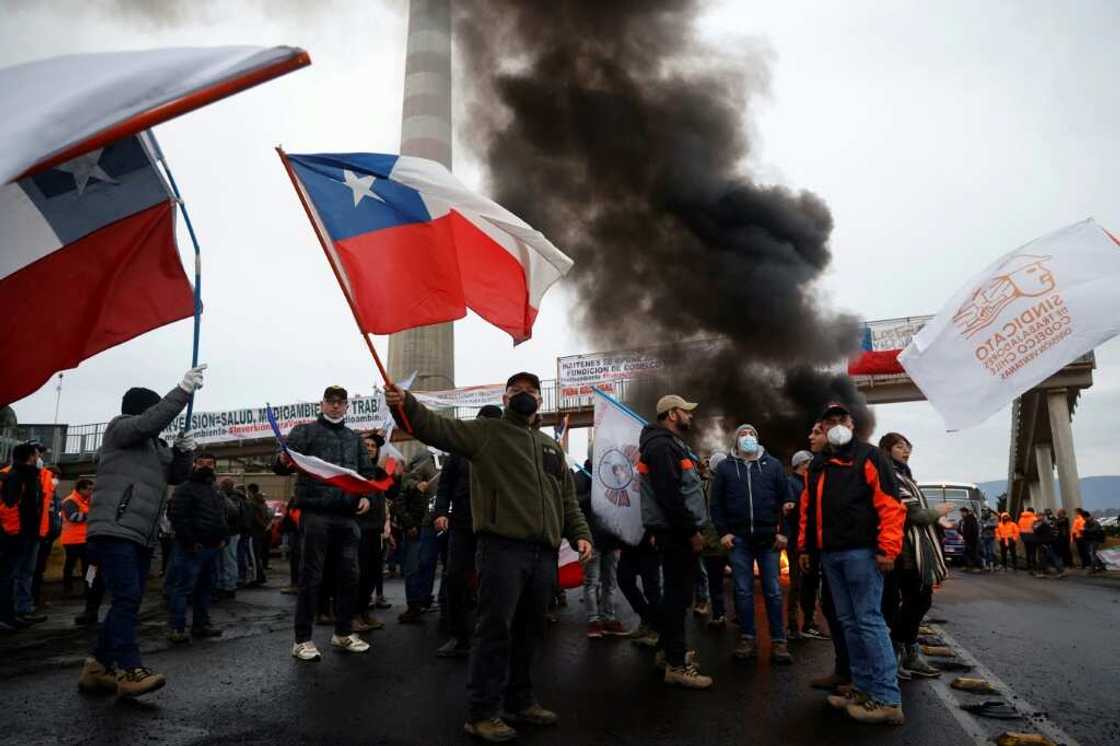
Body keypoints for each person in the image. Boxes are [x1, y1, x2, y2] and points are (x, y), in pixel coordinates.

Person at [385, 371, 592, 743]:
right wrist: (407, 405)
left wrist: (580, 533)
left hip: (543, 554)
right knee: (494, 630)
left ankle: (521, 701)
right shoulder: (487, 434)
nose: (525, 396)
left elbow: (565, 500)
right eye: (517, 391)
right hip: (502, 549)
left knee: (530, 631)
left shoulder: (549, 446)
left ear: (540, 400)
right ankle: (482, 713)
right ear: (505, 398)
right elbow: (435, 427)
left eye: (531, 391)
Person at [78, 368, 203, 697]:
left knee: (127, 600)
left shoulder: (156, 446)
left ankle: (97, 667)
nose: (153, 417)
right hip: (115, 528)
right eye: (151, 409)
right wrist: (181, 392)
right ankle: (130, 669)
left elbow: (176, 476)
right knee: (127, 597)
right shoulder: (120, 429)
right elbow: (149, 422)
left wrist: (184, 452)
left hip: (142, 535)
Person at [798, 402, 906, 725]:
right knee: (847, 622)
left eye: (841, 418)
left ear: (852, 423)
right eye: (829, 420)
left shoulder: (871, 456)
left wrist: (888, 548)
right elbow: (808, 511)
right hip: (830, 555)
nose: (837, 423)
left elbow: (890, 504)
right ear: (824, 426)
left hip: (862, 553)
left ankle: (887, 698)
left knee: (869, 620)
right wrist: (806, 548)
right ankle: (862, 689)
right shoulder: (818, 465)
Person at [274, 385, 376, 661]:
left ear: (346, 407)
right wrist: (282, 459)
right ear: (322, 404)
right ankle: (302, 640)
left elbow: (366, 472)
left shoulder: (354, 439)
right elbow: (283, 465)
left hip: (347, 516)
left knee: (349, 576)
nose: (335, 406)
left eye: (340, 402)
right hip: (316, 514)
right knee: (312, 576)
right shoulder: (304, 432)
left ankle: (343, 633)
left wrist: (366, 495)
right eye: (330, 402)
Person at [638, 394, 712, 690]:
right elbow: (669, 495)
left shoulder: (668, 444)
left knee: (676, 596)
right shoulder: (661, 446)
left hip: (673, 531)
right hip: (677, 534)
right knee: (678, 597)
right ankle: (677, 665)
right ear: (671, 414)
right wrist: (690, 532)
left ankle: (670, 652)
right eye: (686, 411)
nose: (690, 416)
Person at [710, 423, 792, 665]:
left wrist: (784, 533)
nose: (748, 437)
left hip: (768, 539)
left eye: (752, 434)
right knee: (743, 591)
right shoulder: (725, 467)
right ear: (736, 441)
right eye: (743, 434)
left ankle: (779, 641)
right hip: (739, 540)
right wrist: (723, 533)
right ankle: (747, 638)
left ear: (758, 438)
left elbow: (787, 501)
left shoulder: (773, 465)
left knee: (774, 591)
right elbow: (716, 505)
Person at [876, 433, 949, 681]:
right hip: (903, 548)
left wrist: (935, 517)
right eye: (899, 446)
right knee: (914, 600)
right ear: (887, 450)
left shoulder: (905, 476)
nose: (906, 450)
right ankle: (896, 653)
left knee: (919, 599)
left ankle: (907, 651)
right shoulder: (891, 476)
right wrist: (936, 512)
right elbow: (912, 515)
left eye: (908, 446)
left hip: (912, 547)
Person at [434, 406, 502, 657]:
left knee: (495, 582)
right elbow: (445, 486)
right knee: (454, 578)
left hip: (497, 527)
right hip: (462, 524)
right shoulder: (459, 451)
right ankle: (459, 635)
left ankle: (491, 637)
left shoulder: (508, 451)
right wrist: (440, 512)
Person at [166, 452, 227, 643]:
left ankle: (201, 625)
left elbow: (220, 515)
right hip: (191, 548)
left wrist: (222, 537)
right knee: (182, 588)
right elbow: (178, 516)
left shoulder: (214, 490)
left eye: (210, 463)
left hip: (212, 547)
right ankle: (177, 627)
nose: (206, 466)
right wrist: (189, 541)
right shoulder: (185, 488)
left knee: (204, 588)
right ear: (194, 465)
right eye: (201, 463)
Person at [576, 456, 627, 640]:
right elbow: (574, 503)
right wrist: (594, 495)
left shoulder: (612, 475)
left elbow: (623, 501)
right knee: (592, 582)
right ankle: (594, 620)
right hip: (592, 538)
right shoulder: (581, 477)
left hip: (611, 539)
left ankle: (609, 617)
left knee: (610, 582)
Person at [354, 431, 394, 633]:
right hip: (358, 530)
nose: (370, 447)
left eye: (373, 445)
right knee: (357, 574)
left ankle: (363, 612)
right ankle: (353, 616)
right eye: (367, 445)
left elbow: (392, 493)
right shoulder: (354, 470)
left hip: (375, 531)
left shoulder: (378, 473)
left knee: (372, 574)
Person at [1, 444, 43, 630]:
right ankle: (5, 617)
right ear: (30, 456)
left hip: (27, 534)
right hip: (17, 536)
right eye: (36, 454)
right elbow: (9, 507)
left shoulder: (29, 475)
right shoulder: (17, 476)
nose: (38, 457)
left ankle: (13, 614)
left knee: (18, 575)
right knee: (8, 576)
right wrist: (15, 533)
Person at [396, 452, 438, 624]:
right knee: (413, 567)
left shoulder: (431, 483)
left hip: (428, 527)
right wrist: (409, 525)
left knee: (428, 565)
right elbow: (399, 504)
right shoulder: (409, 484)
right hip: (415, 529)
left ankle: (424, 599)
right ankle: (413, 605)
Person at [783, 450, 812, 640]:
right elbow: (789, 512)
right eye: (810, 462)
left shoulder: (810, 482)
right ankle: (793, 626)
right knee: (796, 584)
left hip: (811, 540)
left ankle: (810, 622)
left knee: (810, 584)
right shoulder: (791, 483)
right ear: (802, 464)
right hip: (796, 541)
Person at [60, 479, 95, 597]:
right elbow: (74, 517)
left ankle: (89, 589)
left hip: (85, 539)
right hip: (72, 541)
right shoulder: (70, 501)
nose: (91, 491)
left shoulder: (87, 501)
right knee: (70, 566)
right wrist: (93, 515)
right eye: (88, 489)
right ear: (81, 489)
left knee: (88, 566)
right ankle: (68, 590)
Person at [1032, 510, 1065, 579]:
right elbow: (1035, 530)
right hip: (1041, 542)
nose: (1040, 517)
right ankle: (1043, 571)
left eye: (1041, 515)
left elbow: (1055, 529)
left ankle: (1060, 571)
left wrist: (1054, 537)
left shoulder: (1049, 522)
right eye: (1038, 515)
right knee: (1042, 557)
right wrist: (1043, 525)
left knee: (1053, 556)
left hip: (1050, 542)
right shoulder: (1036, 523)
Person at [959, 507, 981, 573]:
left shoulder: (971, 519)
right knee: (966, 553)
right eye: (961, 512)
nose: (961, 514)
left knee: (974, 553)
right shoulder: (964, 520)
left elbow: (971, 530)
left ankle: (978, 567)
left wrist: (966, 538)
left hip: (972, 540)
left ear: (965, 512)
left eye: (962, 512)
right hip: (968, 539)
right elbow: (962, 529)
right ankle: (967, 566)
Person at [1018, 505, 1038, 573]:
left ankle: (1028, 565)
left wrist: (1023, 536)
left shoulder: (1021, 519)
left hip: (1024, 537)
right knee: (1033, 552)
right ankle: (1034, 565)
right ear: (1032, 511)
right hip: (1033, 536)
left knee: (1027, 551)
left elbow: (1019, 529)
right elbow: (1036, 528)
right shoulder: (1034, 518)